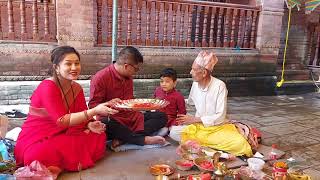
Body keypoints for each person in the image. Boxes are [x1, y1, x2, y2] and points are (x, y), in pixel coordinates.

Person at [14, 46, 118, 177]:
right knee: (37, 154)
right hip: (40, 136)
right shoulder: (48, 87)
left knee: (99, 135)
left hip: (64, 132)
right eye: (68, 64)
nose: (74, 68)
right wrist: (95, 111)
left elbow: (82, 113)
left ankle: (60, 162)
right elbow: (61, 120)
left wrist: (89, 124)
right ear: (56, 67)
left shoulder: (76, 88)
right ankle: (61, 162)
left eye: (77, 63)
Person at [169, 51, 253, 157]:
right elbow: (189, 102)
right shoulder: (195, 84)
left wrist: (195, 119)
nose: (190, 72)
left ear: (204, 73)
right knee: (173, 132)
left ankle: (201, 147)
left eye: (194, 70)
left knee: (239, 144)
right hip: (199, 127)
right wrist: (171, 101)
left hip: (217, 128)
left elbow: (220, 116)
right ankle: (210, 148)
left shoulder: (219, 86)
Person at [89, 46, 167, 148]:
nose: (136, 72)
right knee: (106, 123)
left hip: (132, 117)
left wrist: (145, 105)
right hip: (114, 119)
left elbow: (130, 100)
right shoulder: (100, 78)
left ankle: (124, 138)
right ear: (126, 66)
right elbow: (92, 106)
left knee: (161, 116)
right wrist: (108, 104)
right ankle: (142, 139)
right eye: (136, 69)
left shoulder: (128, 78)